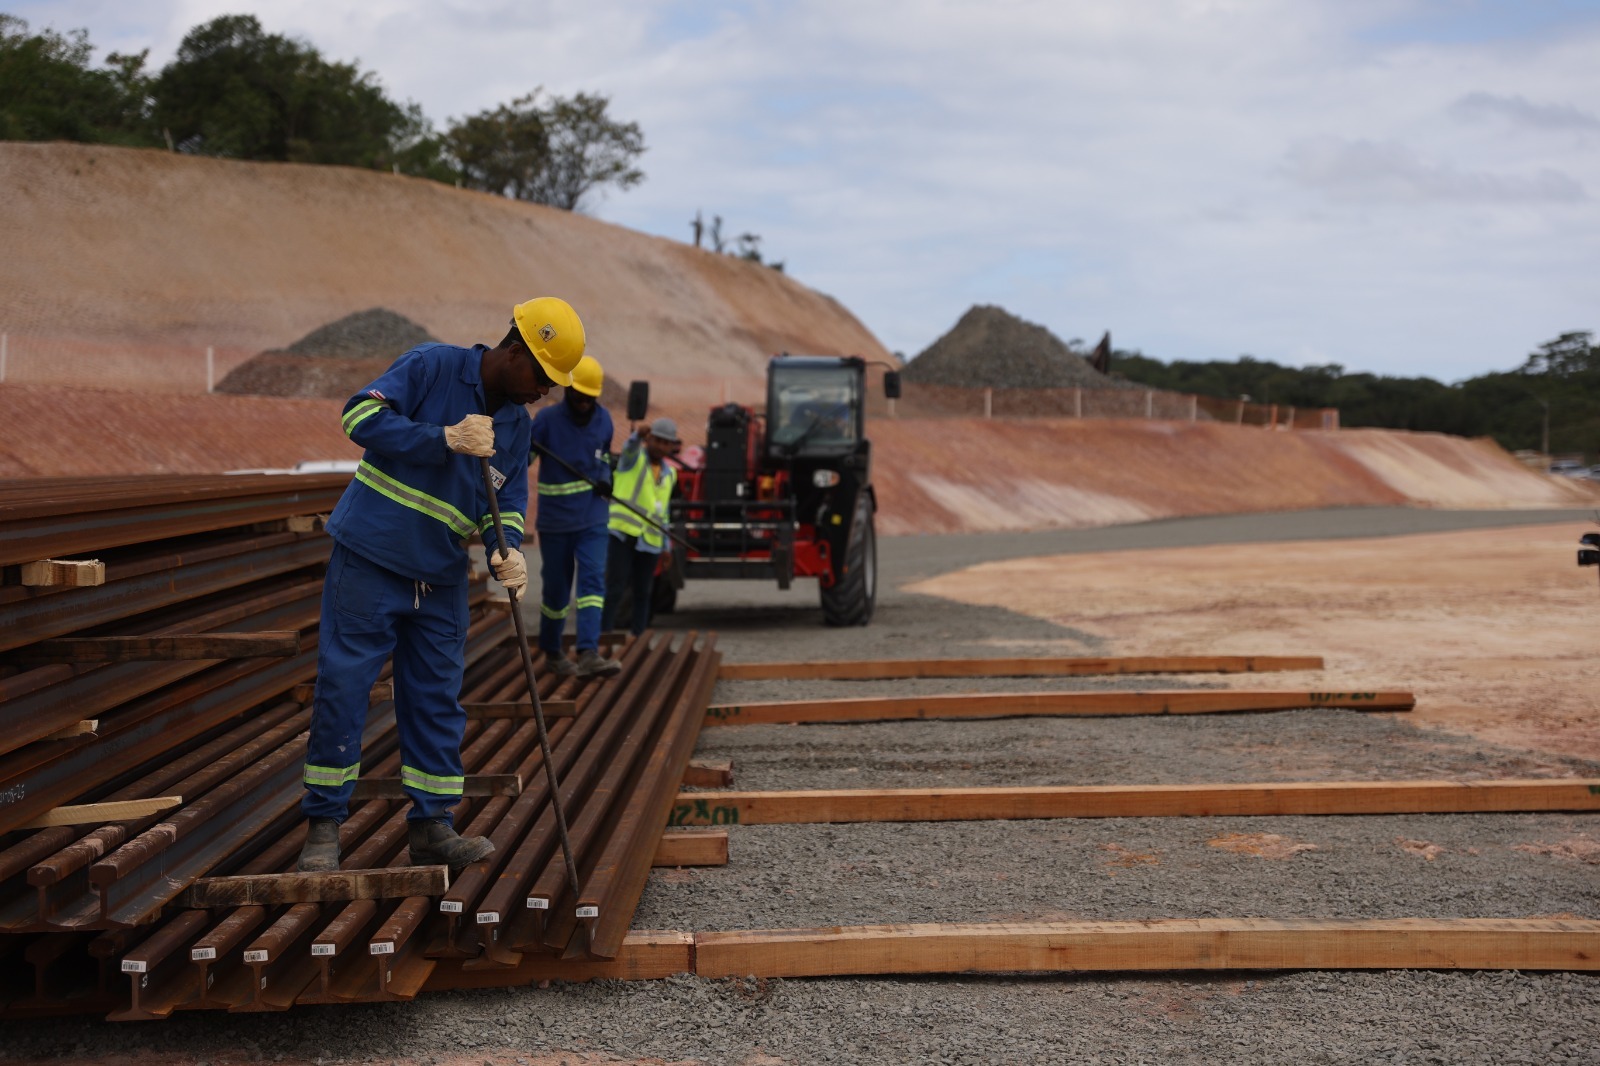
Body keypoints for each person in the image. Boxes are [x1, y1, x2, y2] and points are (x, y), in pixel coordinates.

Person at [297, 297, 586, 874]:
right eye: (542, 376)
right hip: (372, 557)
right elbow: (358, 418)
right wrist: (443, 439)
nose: (545, 391)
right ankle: (324, 826)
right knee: (345, 689)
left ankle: (432, 825)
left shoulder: (516, 427)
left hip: (440, 576)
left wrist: (506, 547)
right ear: (514, 351)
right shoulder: (432, 366)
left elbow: (506, 499)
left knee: (435, 701)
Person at [529, 354, 622, 678]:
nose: (583, 403)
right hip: (555, 522)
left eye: (589, 398)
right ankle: (553, 652)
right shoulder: (545, 421)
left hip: (593, 517)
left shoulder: (605, 420)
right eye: (578, 396)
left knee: (593, 582)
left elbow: (605, 457)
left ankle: (588, 652)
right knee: (556, 590)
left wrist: (606, 478)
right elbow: (522, 459)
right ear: (568, 390)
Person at [602, 417, 679, 636]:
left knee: (644, 592)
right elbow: (629, 447)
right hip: (622, 534)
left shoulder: (670, 474)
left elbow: (663, 513)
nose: (661, 446)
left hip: (650, 541)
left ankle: (638, 636)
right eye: (658, 440)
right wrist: (637, 435)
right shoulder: (632, 459)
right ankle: (603, 636)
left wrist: (666, 546)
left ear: (671, 446)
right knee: (615, 588)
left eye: (666, 443)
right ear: (649, 439)